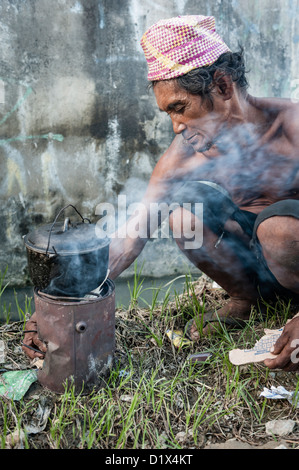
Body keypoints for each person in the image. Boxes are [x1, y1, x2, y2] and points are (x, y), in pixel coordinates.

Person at [23, 15, 299, 371]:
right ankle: (244, 298)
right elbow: (127, 241)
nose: (176, 126)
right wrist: (55, 307)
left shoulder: (291, 126)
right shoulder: (185, 155)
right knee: (183, 214)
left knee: (277, 230)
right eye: (168, 113)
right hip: (257, 263)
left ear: (222, 85)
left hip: (291, 250)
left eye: (180, 108)